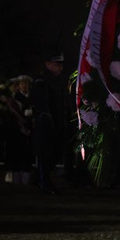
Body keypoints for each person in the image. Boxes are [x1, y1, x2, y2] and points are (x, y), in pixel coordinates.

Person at [30, 53, 68, 195]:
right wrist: (46, 120)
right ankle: (44, 182)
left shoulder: (58, 80)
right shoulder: (42, 80)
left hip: (57, 122)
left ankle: (37, 178)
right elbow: (42, 103)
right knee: (46, 154)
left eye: (61, 65)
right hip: (47, 123)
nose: (60, 68)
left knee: (56, 152)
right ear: (48, 64)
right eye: (57, 65)